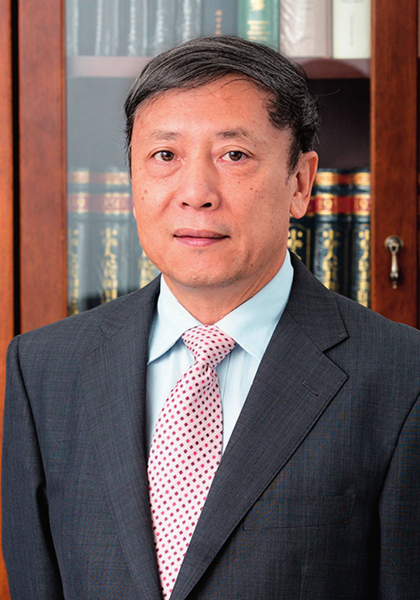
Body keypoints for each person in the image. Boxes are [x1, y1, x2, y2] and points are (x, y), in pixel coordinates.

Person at [2, 36, 420, 600]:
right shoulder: (44, 369)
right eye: (165, 156)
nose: (196, 194)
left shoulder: (402, 376)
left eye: (234, 155)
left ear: (300, 183)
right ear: (132, 179)